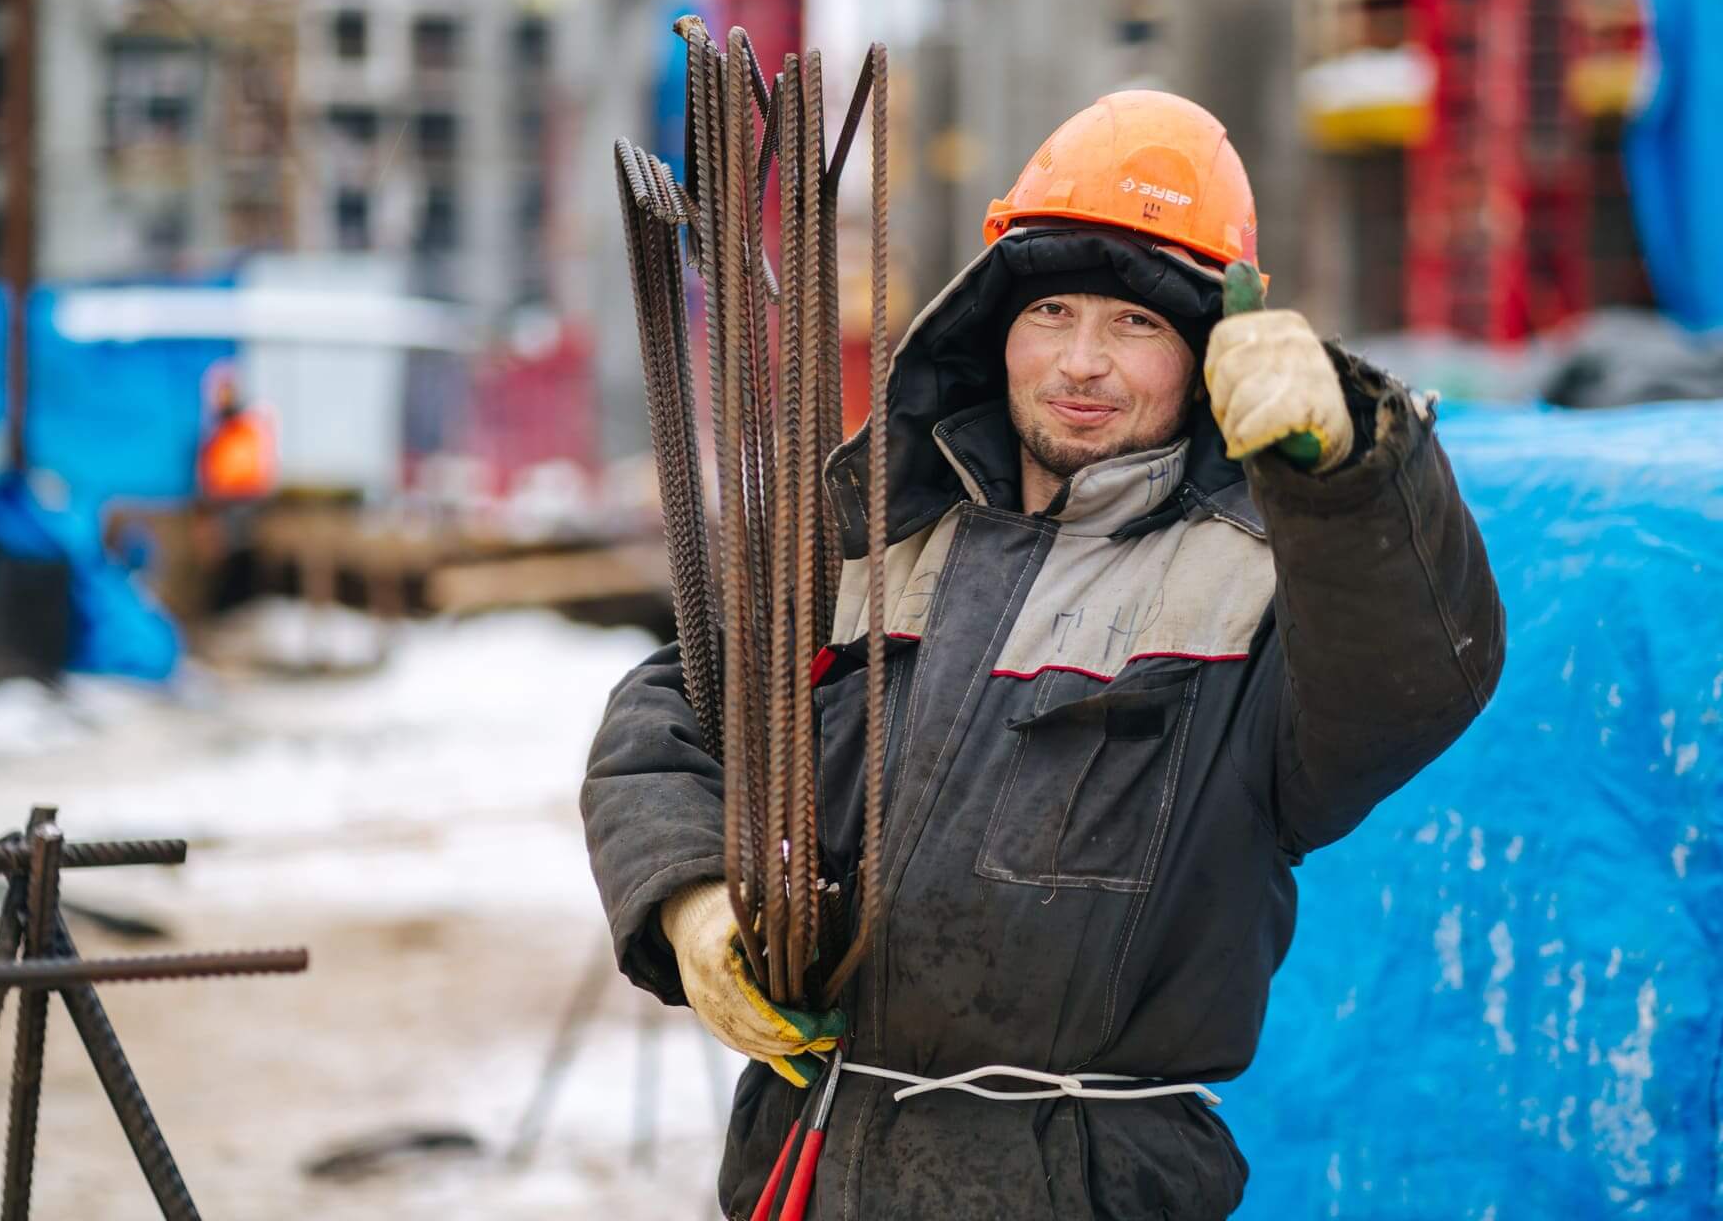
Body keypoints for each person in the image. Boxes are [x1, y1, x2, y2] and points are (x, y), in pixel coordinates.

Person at [583, 91, 1505, 1218]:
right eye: (1054, 309)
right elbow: (672, 708)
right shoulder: (877, 537)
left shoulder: (1267, 585)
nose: (1083, 362)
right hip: (817, 1161)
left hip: (1085, 1186)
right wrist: (689, 905)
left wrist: (1355, 472)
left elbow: (1417, 671)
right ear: (991, 326)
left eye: (1137, 325)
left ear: (1208, 353)